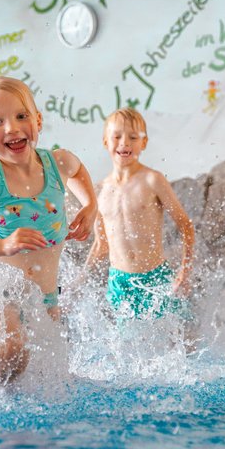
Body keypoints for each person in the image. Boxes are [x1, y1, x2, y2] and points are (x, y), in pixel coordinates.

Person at [0, 75, 97, 382]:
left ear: (38, 120)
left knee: (39, 377)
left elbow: (78, 170)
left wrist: (91, 206)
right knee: (10, 350)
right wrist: (2, 246)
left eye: (21, 116)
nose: (11, 128)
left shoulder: (58, 164)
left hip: (46, 300)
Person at [86, 108, 194, 320]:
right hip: (119, 282)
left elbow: (185, 225)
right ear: (105, 141)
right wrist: (78, 280)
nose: (124, 143)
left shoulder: (152, 180)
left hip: (155, 277)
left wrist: (185, 273)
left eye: (133, 137)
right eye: (116, 136)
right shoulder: (100, 191)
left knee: (173, 338)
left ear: (143, 143)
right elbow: (101, 245)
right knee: (125, 343)